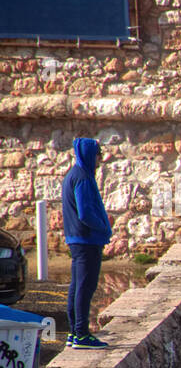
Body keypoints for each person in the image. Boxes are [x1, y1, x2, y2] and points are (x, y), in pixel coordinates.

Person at [60, 138, 113, 349]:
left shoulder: (73, 175)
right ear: (91, 154)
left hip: (77, 240)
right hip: (86, 240)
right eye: (99, 155)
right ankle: (81, 334)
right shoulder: (82, 178)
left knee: (77, 286)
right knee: (85, 286)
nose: (100, 160)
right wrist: (103, 227)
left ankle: (75, 333)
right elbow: (85, 212)